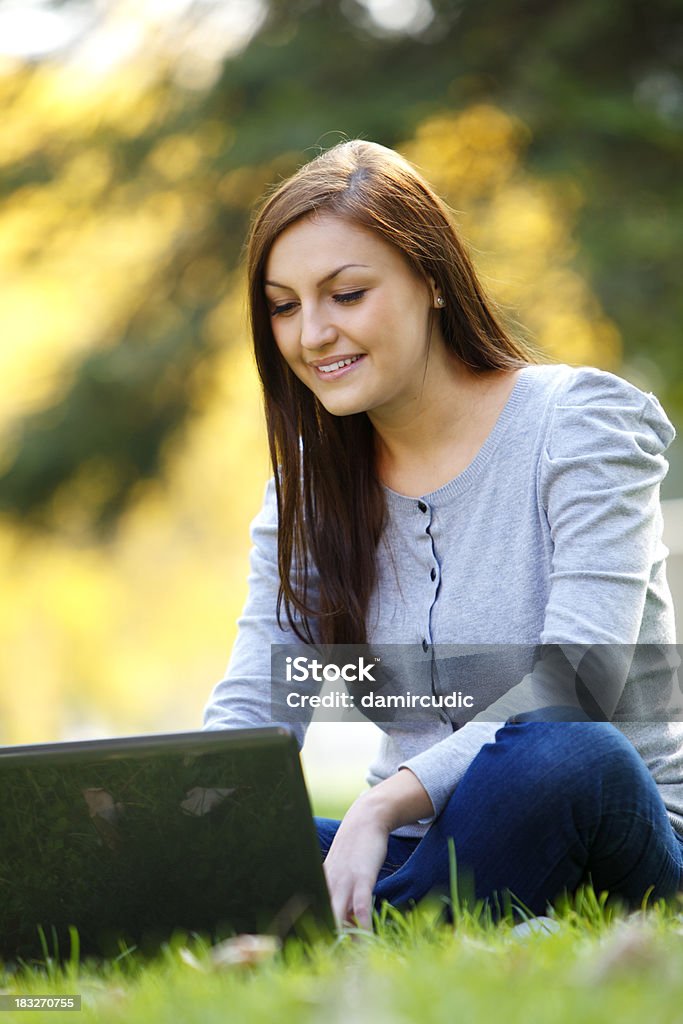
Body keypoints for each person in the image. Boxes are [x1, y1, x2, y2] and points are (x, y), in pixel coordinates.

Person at [203, 138, 683, 929]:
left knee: (563, 748)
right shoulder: (310, 484)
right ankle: (416, 916)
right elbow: (260, 696)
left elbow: (575, 683)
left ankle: (341, 925)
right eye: (284, 306)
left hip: (607, 828)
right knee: (217, 842)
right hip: (423, 847)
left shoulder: (582, 425)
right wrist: (178, 808)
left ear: (430, 279)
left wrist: (378, 808)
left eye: (345, 294)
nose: (312, 334)